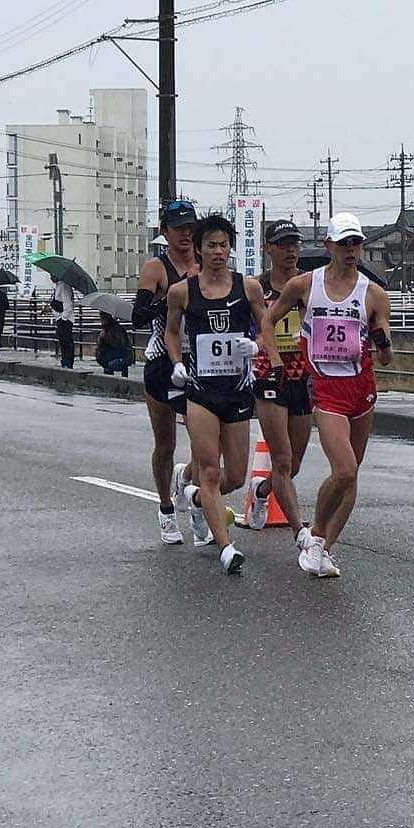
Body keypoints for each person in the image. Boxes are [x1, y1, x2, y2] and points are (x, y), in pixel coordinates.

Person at [261, 212, 393, 578]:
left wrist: (382, 342)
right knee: (344, 468)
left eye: (357, 243)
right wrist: (272, 358)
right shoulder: (305, 285)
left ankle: (324, 549)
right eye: (345, 243)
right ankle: (315, 536)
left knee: (352, 476)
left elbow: (386, 356)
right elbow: (267, 321)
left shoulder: (373, 293)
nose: (352, 250)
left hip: (361, 388)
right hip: (324, 388)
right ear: (329, 245)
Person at [165, 214, 266, 576]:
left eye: (223, 245)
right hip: (201, 391)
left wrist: (254, 346)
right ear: (199, 250)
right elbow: (171, 332)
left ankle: (194, 497)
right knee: (208, 470)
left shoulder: (248, 287)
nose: (218, 252)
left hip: (237, 391)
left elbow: (265, 327)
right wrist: (177, 362)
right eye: (211, 245)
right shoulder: (182, 292)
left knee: (235, 476)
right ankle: (226, 548)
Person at [132, 200, 201, 546]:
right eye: (178, 228)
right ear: (165, 232)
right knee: (166, 443)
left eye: (190, 227)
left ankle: (195, 492)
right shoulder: (156, 268)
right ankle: (165, 507)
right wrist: (173, 295)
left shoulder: (206, 263)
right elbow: (138, 317)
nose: (186, 234)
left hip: (201, 361)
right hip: (162, 359)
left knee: (205, 443)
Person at [249, 220, 313, 551]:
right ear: (268, 248)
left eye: (295, 244)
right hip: (268, 373)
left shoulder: (308, 284)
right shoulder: (255, 288)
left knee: (295, 464)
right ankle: (300, 533)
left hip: (302, 375)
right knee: (283, 459)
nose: (291, 250)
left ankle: (262, 492)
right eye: (283, 244)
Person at [95, 312, 135, 377]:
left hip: (121, 356)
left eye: (103, 318)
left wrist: (105, 337)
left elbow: (118, 344)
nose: (101, 320)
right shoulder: (105, 329)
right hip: (109, 356)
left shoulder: (117, 329)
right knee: (106, 362)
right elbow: (100, 348)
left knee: (110, 365)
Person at [49, 280, 75, 368]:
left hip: (65, 319)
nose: (51, 277)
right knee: (63, 342)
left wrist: (63, 318)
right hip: (61, 318)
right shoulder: (58, 286)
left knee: (66, 342)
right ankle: (65, 361)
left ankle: (67, 362)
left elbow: (68, 303)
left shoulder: (64, 286)